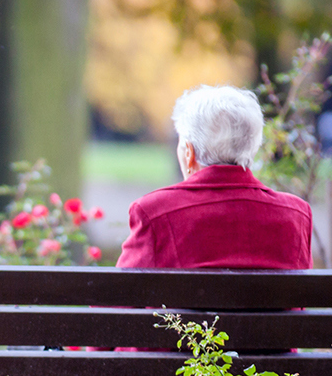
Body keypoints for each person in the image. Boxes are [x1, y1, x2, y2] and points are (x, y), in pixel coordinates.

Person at [117, 85, 312, 270]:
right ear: (252, 148)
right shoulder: (296, 215)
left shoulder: (154, 213)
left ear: (189, 153)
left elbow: (118, 301)